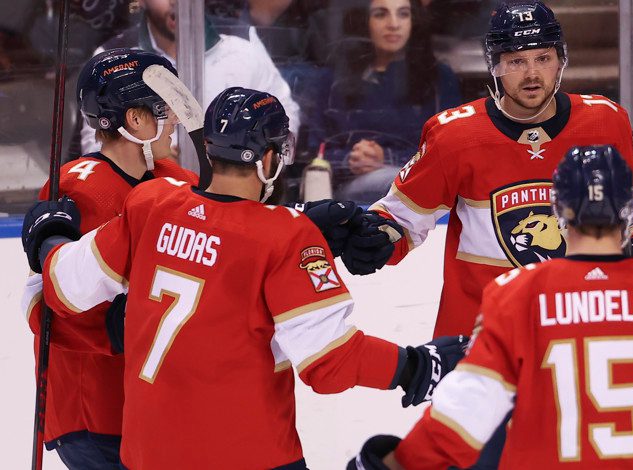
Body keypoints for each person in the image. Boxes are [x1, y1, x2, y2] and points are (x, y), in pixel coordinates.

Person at [21, 86, 467, 469]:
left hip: (147, 455)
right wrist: (415, 366)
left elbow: (66, 287)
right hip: (248, 455)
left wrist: (51, 236)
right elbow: (330, 362)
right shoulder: (286, 237)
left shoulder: (150, 205)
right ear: (270, 158)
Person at [346, 145, 633, 470]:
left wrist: (398, 462)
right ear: (629, 210)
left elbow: (463, 417)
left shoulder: (515, 294)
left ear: (559, 207)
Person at [342, 0, 633, 338]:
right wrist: (375, 239)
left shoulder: (605, 122)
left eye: (543, 59)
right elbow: (400, 218)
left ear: (560, 60)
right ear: (494, 65)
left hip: (572, 332)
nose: (532, 74)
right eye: (516, 61)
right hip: (477, 341)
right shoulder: (455, 135)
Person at [19, 49, 198, 469]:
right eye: (163, 108)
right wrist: (123, 328)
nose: (173, 118)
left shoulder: (175, 180)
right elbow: (55, 303)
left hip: (148, 407)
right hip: (94, 414)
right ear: (135, 120)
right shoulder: (79, 187)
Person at [79, 0, 301, 155]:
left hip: (229, 199)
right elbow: (96, 143)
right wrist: (151, 160)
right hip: (150, 203)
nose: (177, 2)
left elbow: (284, 117)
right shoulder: (112, 58)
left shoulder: (242, 43)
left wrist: (235, 161)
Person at [316, 0, 461, 203]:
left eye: (403, 14)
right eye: (380, 14)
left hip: (421, 185)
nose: (393, 24)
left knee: (406, 184)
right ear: (364, 21)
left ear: (414, 21)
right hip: (350, 193)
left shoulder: (439, 78)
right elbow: (314, 151)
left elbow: (448, 149)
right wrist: (350, 160)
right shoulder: (333, 79)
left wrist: (386, 158)